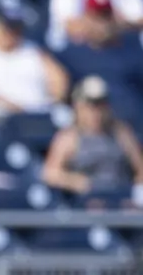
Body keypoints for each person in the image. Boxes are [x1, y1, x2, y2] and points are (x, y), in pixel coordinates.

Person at [42, 75, 143, 203]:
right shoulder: (69, 137)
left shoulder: (121, 133)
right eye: (90, 106)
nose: (95, 112)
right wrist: (75, 182)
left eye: (100, 105)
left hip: (121, 197)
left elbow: (140, 168)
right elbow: (50, 173)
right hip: (87, 201)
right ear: (79, 107)